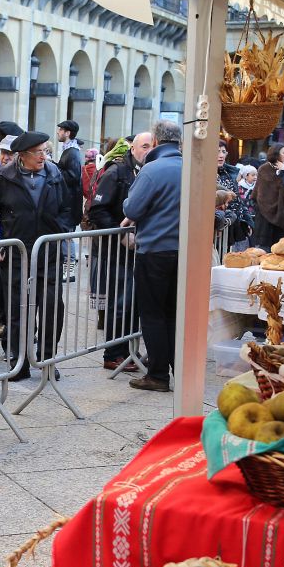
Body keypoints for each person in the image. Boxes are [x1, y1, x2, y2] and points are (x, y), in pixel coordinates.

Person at [0, 131, 71, 381]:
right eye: (38, 152)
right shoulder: (4, 176)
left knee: (52, 305)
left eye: (45, 151)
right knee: (16, 307)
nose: (43, 156)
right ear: (22, 156)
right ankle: (18, 360)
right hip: (16, 253)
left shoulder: (55, 175)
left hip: (48, 252)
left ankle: (46, 359)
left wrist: (60, 231)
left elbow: (68, 208)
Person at [123, 119, 183, 393]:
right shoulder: (191, 168)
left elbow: (132, 207)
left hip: (155, 251)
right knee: (172, 313)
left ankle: (158, 373)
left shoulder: (152, 170)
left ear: (156, 142)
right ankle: (173, 367)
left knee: (152, 314)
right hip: (182, 251)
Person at [88, 132, 153, 371]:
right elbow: (97, 210)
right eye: (144, 146)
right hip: (114, 251)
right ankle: (113, 354)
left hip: (138, 249)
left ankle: (127, 350)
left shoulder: (145, 172)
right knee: (119, 303)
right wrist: (121, 233)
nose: (148, 150)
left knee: (131, 304)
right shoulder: (116, 172)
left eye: (151, 146)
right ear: (133, 148)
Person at [250, 142, 284, 250]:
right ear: (276, 154)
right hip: (264, 217)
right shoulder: (264, 169)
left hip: (281, 214)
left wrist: (283, 173)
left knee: (281, 249)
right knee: (264, 250)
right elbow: (260, 194)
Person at [216, 139, 247, 244]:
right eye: (217, 151)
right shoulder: (205, 172)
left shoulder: (230, 173)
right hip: (215, 226)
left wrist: (247, 221)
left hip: (232, 227)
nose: (221, 155)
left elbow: (238, 200)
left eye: (223, 152)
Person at [55, 119, 84, 230]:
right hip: (68, 206)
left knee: (67, 240)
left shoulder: (72, 152)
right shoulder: (70, 151)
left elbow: (72, 177)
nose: (58, 132)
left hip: (69, 208)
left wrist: (54, 168)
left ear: (67, 133)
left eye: (61, 130)